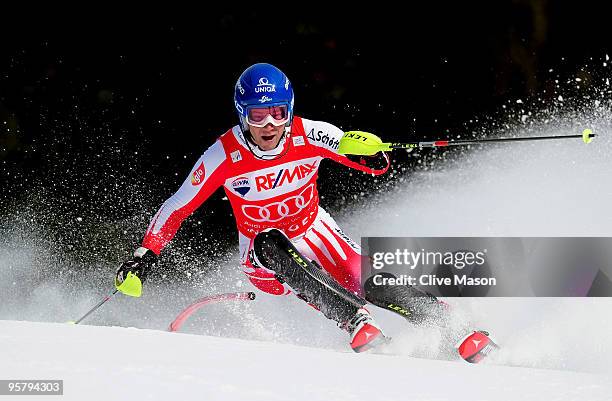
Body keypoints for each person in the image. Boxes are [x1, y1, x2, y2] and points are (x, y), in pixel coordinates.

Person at [114, 63, 393, 352]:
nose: (269, 125)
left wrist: (373, 153)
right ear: (242, 115)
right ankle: (355, 320)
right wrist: (144, 255)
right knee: (268, 241)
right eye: (257, 116)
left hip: (314, 229)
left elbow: (377, 167)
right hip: (262, 256)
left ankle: (436, 319)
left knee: (369, 278)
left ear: (290, 109)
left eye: (278, 113)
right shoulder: (223, 154)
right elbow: (177, 206)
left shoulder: (312, 133)